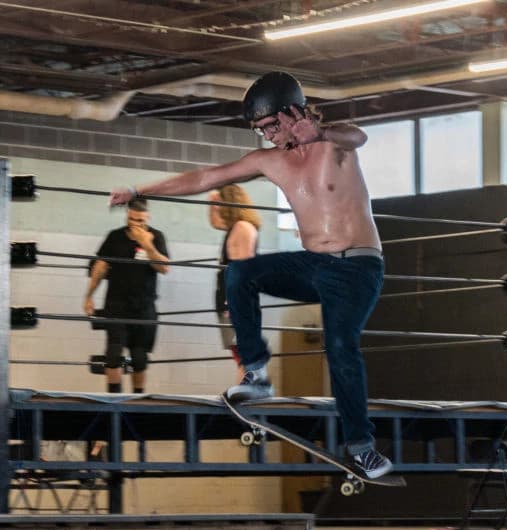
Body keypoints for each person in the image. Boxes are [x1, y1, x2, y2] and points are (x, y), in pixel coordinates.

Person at [107, 71, 392, 478]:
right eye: (261, 131)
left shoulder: (333, 145)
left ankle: (363, 448)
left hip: (358, 266)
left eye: (272, 126)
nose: (269, 137)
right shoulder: (269, 161)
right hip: (314, 265)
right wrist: (141, 191)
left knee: (340, 346)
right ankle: (255, 371)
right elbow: (204, 178)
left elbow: (358, 136)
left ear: (294, 112)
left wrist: (321, 130)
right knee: (241, 273)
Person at [84, 198, 170, 394]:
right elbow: (100, 266)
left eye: (140, 220)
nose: (135, 224)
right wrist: (89, 296)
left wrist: (147, 246)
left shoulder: (156, 237)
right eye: (132, 219)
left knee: (139, 358)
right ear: (127, 215)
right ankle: (114, 399)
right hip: (117, 305)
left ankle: (137, 401)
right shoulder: (115, 237)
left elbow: (164, 268)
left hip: (144, 306)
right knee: (113, 355)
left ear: (147, 217)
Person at [207, 184, 260, 383]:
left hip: (233, 298)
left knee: (241, 349)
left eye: (221, 204)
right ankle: (246, 388)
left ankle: (247, 389)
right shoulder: (235, 226)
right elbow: (215, 222)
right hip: (226, 296)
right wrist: (212, 201)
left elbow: (244, 269)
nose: (219, 210)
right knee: (237, 350)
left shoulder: (243, 228)